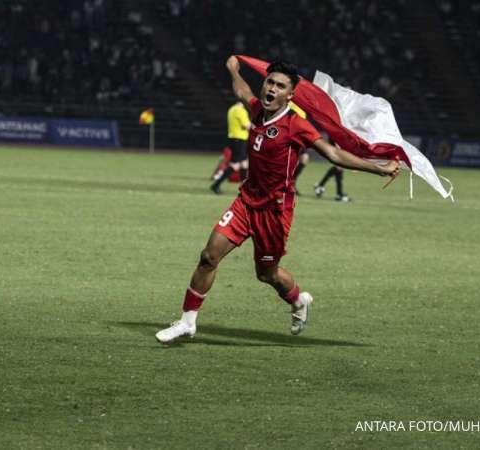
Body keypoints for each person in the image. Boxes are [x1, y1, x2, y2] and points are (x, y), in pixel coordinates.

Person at [156, 56, 399, 343]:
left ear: (290, 94)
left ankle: (298, 302)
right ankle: (187, 322)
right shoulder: (258, 110)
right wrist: (233, 68)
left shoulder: (296, 125)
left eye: (280, 86)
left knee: (267, 274)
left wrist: (379, 168)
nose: (271, 88)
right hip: (246, 202)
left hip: (275, 211)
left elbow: (333, 154)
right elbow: (242, 91)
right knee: (209, 256)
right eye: (270, 82)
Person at [210, 100, 251, 194]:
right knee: (235, 164)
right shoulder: (241, 110)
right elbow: (247, 126)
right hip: (239, 139)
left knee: (244, 163)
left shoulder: (232, 109)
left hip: (233, 138)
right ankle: (216, 185)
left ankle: (244, 189)